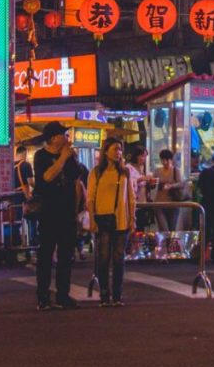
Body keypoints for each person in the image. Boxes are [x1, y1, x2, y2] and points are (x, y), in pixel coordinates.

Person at [33, 122, 82, 310]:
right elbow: (47, 177)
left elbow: (76, 181)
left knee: (66, 257)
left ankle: (63, 295)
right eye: (63, 134)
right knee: (45, 256)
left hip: (68, 213)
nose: (67, 138)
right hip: (48, 213)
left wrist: (77, 211)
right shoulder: (41, 156)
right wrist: (62, 158)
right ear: (53, 138)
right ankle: (43, 296)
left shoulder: (70, 157)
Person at [87, 137, 135, 307]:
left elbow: (130, 197)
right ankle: (104, 295)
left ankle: (117, 296)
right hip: (103, 219)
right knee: (103, 258)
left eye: (120, 149)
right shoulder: (96, 173)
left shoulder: (124, 172)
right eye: (115, 148)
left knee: (118, 259)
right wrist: (92, 219)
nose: (118, 152)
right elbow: (90, 198)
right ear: (106, 151)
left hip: (121, 220)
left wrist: (132, 218)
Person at [152, 149, 183, 232]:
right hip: (159, 203)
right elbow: (153, 184)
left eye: (166, 160)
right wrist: (152, 183)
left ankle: (170, 245)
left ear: (171, 160)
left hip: (173, 203)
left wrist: (171, 186)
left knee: (172, 229)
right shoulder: (157, 171)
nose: (164, 162)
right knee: (164, 229)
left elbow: (181, 183)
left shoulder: (176, 170)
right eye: (162, 160)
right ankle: (164, 244)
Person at [14, 145, 37, 255]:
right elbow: (31, 182)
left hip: (14, 198)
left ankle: (17, 245)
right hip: (24, 197)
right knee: (31, 221)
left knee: (17, 222)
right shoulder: (26, 165)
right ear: (25, 153)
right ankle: (32, 246)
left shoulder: (11, 165)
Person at [126, 145, 152, 232]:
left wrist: (150, 182)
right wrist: (141, 179)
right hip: (134, 204)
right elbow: (128, 184)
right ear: (136, 156)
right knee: (135, 229)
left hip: (143, 202)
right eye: (142, 156)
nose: (144, 158)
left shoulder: (142, 168)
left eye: (145, 156)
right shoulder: (128, 168)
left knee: (141, 229)